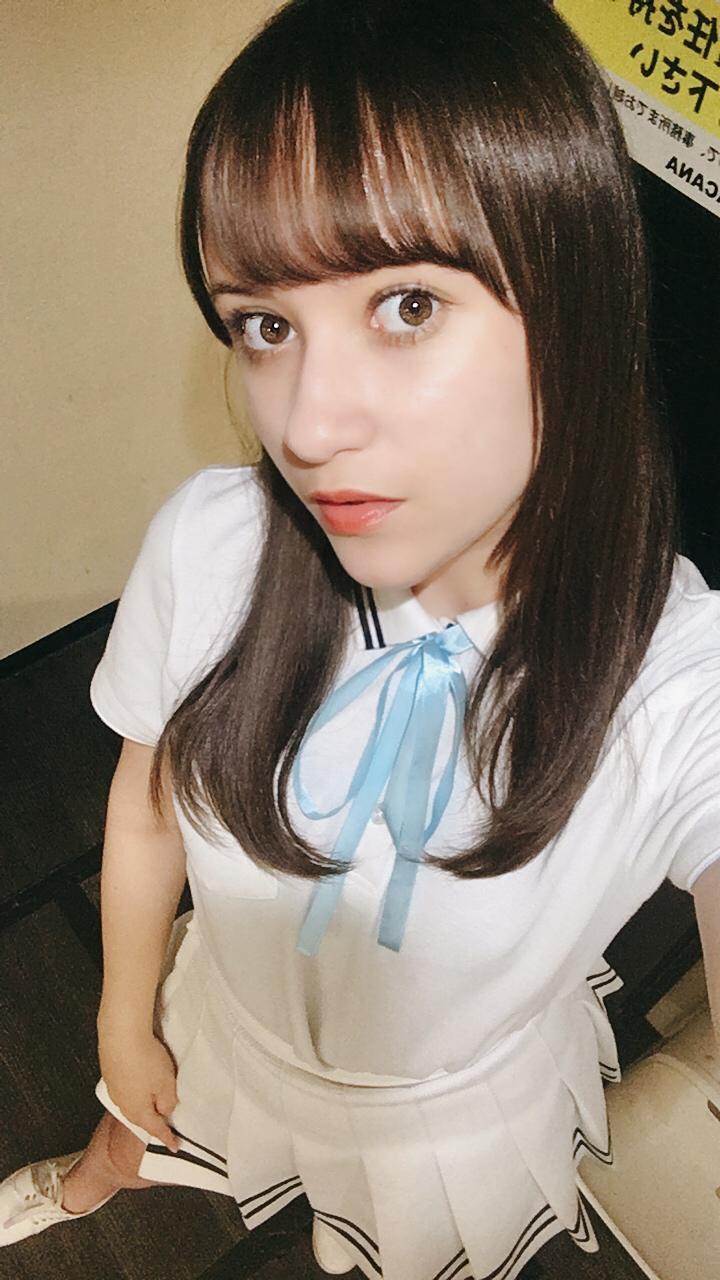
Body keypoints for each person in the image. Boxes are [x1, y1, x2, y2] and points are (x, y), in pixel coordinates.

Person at [2, 1, 719, 1277]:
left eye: (407, 303)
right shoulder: (215, 543)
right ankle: (91, 1177)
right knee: (138, 1131)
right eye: (265, 324)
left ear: (576, 304)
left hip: (444, 1114)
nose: (308, 423)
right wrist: (119, 1019)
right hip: (228, 1019)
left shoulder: (672, 671)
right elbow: (150, 801)